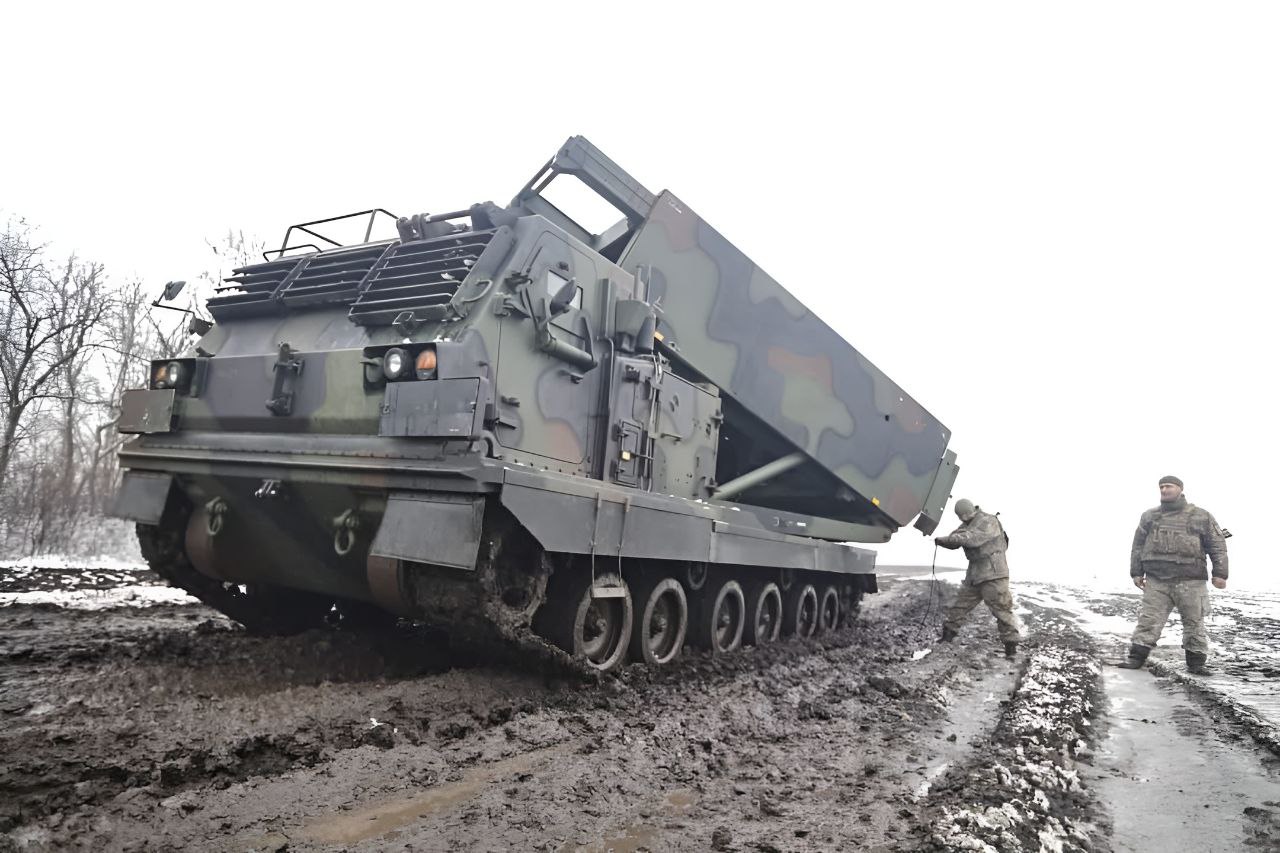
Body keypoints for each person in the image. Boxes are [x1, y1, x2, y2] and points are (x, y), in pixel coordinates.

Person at [1117, 475, 1228, 675]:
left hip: (1191, 580)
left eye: (1168, 486)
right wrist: (1136, 572)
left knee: (1194, 623)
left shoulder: (1201, 516)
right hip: (1156, 579)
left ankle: (1196, 664)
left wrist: (1220, 573)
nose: (1164, 490)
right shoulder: (1149, 516)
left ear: (1180, 489)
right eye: (1161, 487)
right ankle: (1135, 659)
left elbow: (1217, 544)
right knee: (1148, 620)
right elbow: (1138, 545)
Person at [935, 498, 1020, 658]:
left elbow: (972, 539)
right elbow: (955, 539)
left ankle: (1011, 647)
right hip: (974, 574)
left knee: (1001, 610)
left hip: (993, 574)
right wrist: (942, 541)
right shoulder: (966, 525)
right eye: (961, 516)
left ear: (971, 510)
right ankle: (947, 638)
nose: (963, 518)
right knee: (958, 606)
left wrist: (949, 539)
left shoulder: (989, 521)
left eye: (964, 515)